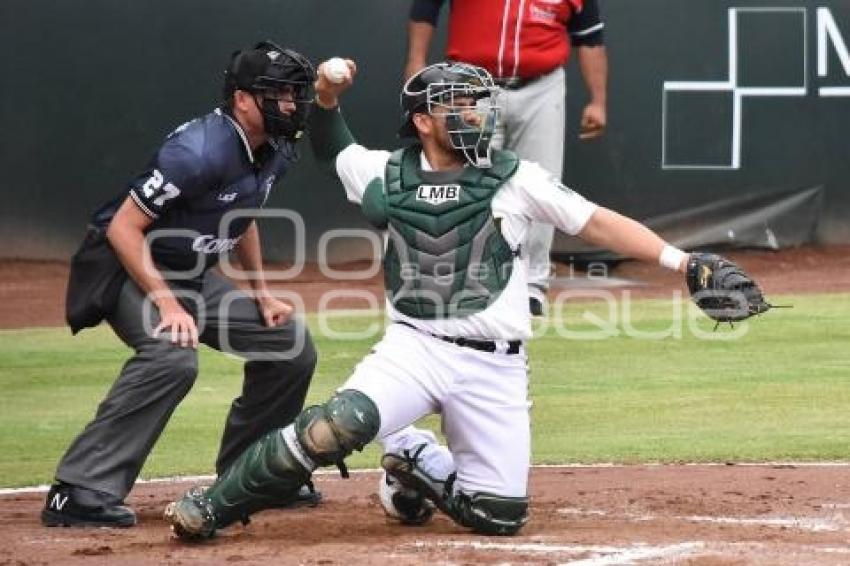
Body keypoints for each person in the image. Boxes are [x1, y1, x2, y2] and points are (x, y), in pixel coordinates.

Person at [162, 58, 726, 539]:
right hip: (415, 348)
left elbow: (596, 223)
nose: (478, 115)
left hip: (494, 366)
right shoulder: (386, 172)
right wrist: (329, 94)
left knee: (498, 515)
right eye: (461, 104)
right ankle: (210, 506)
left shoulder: (514, 178)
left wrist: (682, 261)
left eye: (480, 104)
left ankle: (413, 459)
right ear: (424, 120)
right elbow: (331, 143)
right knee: (335, 424)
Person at [42, 41, 321, 528]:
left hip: (192, 274)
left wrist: (260, 292)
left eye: (294, 94)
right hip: (126, 265)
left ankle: (253, 475)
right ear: (241, 99)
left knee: (289, 344)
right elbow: (123, 228)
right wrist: (168, 305)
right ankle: (79, 490)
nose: (290, 105)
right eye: (278, 94)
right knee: (171, 356)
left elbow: (243, 215)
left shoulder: (275, 147)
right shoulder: (197, 152)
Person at [405, 0, 608, 316]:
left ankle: (531, 288)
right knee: (469, 180)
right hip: (470, 87)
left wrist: (598, 100)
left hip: (542, 86)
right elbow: (426, 8)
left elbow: (590, 36)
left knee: (543, 184)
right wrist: (417, 59)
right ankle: (464, 279)